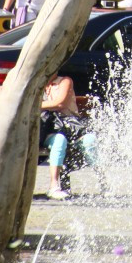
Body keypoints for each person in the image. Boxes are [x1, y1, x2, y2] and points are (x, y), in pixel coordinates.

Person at [40, 72, 97, 200]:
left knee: (90, 140)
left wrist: (33, 104)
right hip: (49, 131)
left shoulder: (64, 81)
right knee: (60, 140)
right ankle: (54, 186)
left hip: (72, 129)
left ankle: (104, 182)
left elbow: (60, 104)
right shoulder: (36, 83)